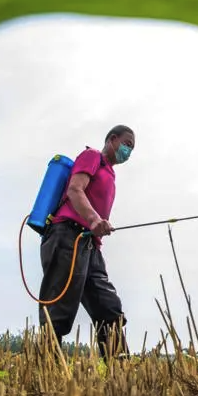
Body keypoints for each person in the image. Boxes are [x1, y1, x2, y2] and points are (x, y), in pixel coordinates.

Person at [37, 124, 135, 361]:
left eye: (131, 148)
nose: (128, 151)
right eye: (126, 144)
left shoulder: (111, 176)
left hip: (90, 246)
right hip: (67, 236)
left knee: (108, 306)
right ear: (112, 140)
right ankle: (49, 368)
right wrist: (94, 220)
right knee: (58, 308)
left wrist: (97, 233)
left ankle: (120, 369)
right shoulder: (92, 157)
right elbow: (75, 189)